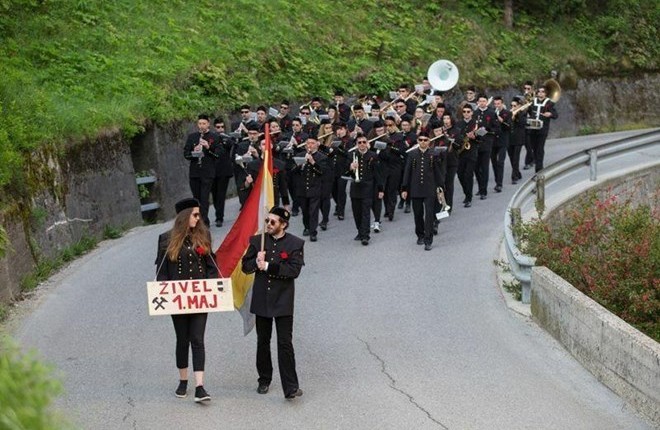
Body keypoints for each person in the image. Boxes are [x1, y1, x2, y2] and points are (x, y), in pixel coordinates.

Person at [155, 198, 217, 403]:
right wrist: (163, 290)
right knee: (183, 340)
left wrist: (212, 285)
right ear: (184, 216)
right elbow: (162, 272)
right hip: (178, 298)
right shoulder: (165, 239)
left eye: (199, 215)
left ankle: (200, 386)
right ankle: (183, 380)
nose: (199, 218)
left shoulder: (204, 235)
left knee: (198, 339)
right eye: (195, 215)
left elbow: (211, 266)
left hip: (200, 297)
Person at [241, 206, 305, 400]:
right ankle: (264, 379)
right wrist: (255, 262)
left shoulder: (295, 244)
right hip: (262, 300)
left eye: (273, 222)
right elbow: (245, 267)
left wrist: (268, 265)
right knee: (263, 341)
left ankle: (291, 387)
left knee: (285, 343)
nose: (268, 224)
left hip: (283, 301)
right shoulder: (257, 240)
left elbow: (293, 271)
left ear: (283, 224)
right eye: (267, 221)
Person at [401, 133, 445, 251]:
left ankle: (428, 239)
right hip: (415, 189)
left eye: (425, 140)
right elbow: (407, 172)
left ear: (429, 141)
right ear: (418, 141)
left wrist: (441, 187)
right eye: (421, 140)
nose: (423, 142)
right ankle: (420, 235)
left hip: (430, 189)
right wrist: (404, 188)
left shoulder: (434, 154)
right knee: (418, 214)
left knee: (429, 215)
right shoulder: (412, 154)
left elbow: (438, 172)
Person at [184, 114, 220, 226]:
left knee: (204, 198)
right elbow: (186, 154)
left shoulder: (214, 137)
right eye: (200, 124)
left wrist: (208, 148)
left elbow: (217, 155)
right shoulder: (192, 137)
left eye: (204, 124)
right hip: (195, 172)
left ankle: (204, 221)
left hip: (207, 172)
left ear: (208, 124)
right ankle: (198, 220)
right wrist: (194, 152)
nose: (202, 126)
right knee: (196, 198)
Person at [347, 135, 383, 245]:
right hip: (355, 188)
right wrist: (351, 168)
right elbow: (345, 173)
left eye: (364, 142)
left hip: (368, 188)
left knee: (365, 212)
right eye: (359, 142)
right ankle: (360, 231)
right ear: (356, 144)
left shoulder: (373, 156)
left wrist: (380, 190)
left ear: (367, 143)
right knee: (357, 213)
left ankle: (365, 235)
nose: (362, 144)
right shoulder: (352, 155)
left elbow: (378, 174)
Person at [294, 136, 330, 242]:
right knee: (305, 210)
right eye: (308, 143)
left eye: (312, 143)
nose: (309, 145)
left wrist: (313, 162)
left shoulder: (322, 157)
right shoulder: (300, 155)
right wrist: (300, 165)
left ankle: (313, 232)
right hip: (302, 187)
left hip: (315, 187)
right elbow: (293, 171)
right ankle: (307, 227)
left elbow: (322, 172)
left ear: (317, 144)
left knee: (313, 211)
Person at [527, 85, 558, 172]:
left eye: (542, 91)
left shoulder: (549, 103)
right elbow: (528, 111)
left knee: (540, 148)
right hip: (532, 128)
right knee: (534, 147)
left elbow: (556, 115)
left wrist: (550, 114)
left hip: (542, 129)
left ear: (546, 93)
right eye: (539, 91)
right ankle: (537, 162)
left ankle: (539, 168)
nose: (540, 93)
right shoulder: (532, 102)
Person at [211, 118, 234, 227]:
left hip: (224, 170)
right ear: (214, 127)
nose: (220, 129)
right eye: (218, 127)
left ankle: (219, 217)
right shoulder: (211, 138)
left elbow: (230, 145)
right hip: (212, 170)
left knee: (221, 194)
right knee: (215, 194)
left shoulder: (227, 138)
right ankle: (218, 212)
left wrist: (223, 139)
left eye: (222, 127)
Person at [492, 97, 511, 193]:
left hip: (503, 141)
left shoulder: (507, 113)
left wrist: (501, 120)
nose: (496, 106)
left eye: (498, 104)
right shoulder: (492, 112)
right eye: (495, 104)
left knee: (500, 162)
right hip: (493, 141)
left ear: (502, 104)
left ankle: (499, 184)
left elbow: (509, 126)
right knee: (494, 163)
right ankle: (497, 181)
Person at [508, 97, 527, 184]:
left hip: (518, 138)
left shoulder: (522, 113)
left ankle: (514, 177)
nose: (513, 107)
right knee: (511, 158)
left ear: (519, 106)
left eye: (514, 106)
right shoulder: (508, 113)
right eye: (511, 105)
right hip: (509, 139)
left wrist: (516, 115)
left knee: (516, 158)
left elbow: (522, 124)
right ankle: (518, 173)